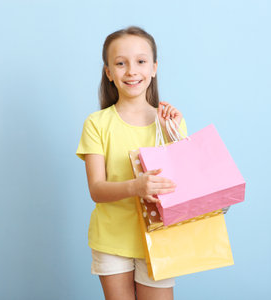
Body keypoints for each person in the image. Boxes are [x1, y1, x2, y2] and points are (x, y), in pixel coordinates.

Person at [76, 26, 187, 300]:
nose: (131, 71)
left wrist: (172, 132)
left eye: (140, 61)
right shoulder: (97, 124)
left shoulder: (171, 123)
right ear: (109, 73)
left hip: (161, 237)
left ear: (154, 68)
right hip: (112, 240)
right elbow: (97, 190)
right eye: (120, 63)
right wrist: (136, 187)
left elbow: (183, 185)